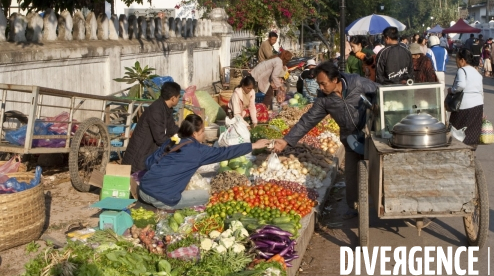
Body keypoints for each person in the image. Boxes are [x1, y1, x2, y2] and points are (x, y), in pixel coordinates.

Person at [271, 62, 378, 218]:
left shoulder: (357, 83)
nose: (320, 88)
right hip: (350, 137)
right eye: (318, 84)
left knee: (378, 168)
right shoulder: (324, 99)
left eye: (323, 83)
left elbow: (380, 91)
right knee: (351, 174)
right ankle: (353, 206)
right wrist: (286, 140)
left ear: (335, 79)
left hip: (370, 133)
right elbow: (308, 120)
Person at [139, 114, 270, 209]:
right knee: (207, 195)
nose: (204, 135)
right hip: (162, 199)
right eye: (202, 131)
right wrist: (253, 145)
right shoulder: (197, 150)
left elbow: (149, 163)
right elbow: (225, 153)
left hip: (143, 190)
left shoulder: (173, 140)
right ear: (195, 134)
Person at [122, 82, 181, 173]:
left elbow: (171, 128)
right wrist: (178, 145)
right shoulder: (156, 110)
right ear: (173, 98)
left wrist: (186, 134)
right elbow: (160, 138)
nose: (179, 99)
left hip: (148, 153)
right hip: (139, 157)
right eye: (178, 97)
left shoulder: (166, 109)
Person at [448, 49, 484, 147]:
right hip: (478, 106)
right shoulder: (477, 73)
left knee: (456, 130)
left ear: (463, 60)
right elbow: (481, 92)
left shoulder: (462, 70)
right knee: (472, 133)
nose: (456, 63)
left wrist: (452, 90)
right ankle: (470, 152)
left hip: (464, 106)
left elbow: (461, 85)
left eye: (457, 60)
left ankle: (458, 151)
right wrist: (483, 110)